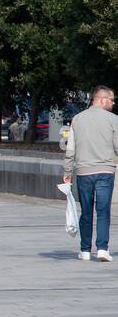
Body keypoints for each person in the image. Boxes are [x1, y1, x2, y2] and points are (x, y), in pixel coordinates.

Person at [63, 85, 118, 262]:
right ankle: (102, 249)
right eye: (111, 99)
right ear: (102, 99)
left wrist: (67, 170)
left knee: (86, 211)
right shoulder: (113, 120)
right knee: (103, 211)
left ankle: (85, 250)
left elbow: (70, 148)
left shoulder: (77, 119)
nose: (113, 103)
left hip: (84, 172)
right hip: (105, 171)